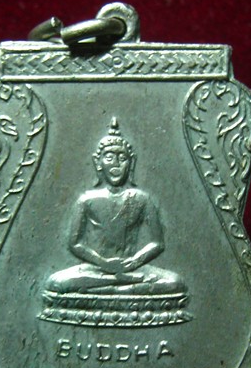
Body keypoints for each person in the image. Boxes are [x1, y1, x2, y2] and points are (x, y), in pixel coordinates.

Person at [45, 118, 187, 296]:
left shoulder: (142, 199)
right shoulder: (86, 200)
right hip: (96, 268)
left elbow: (157, 243)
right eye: (109, 157)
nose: (116, 163)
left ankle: (111, 285)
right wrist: (103, 263)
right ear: (98, 162)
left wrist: (134, 262)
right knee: (56, 283)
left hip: (132, 267)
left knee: (174, 283)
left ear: (131, 163)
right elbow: (75, 244)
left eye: (122, 158)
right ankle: (120, 284)